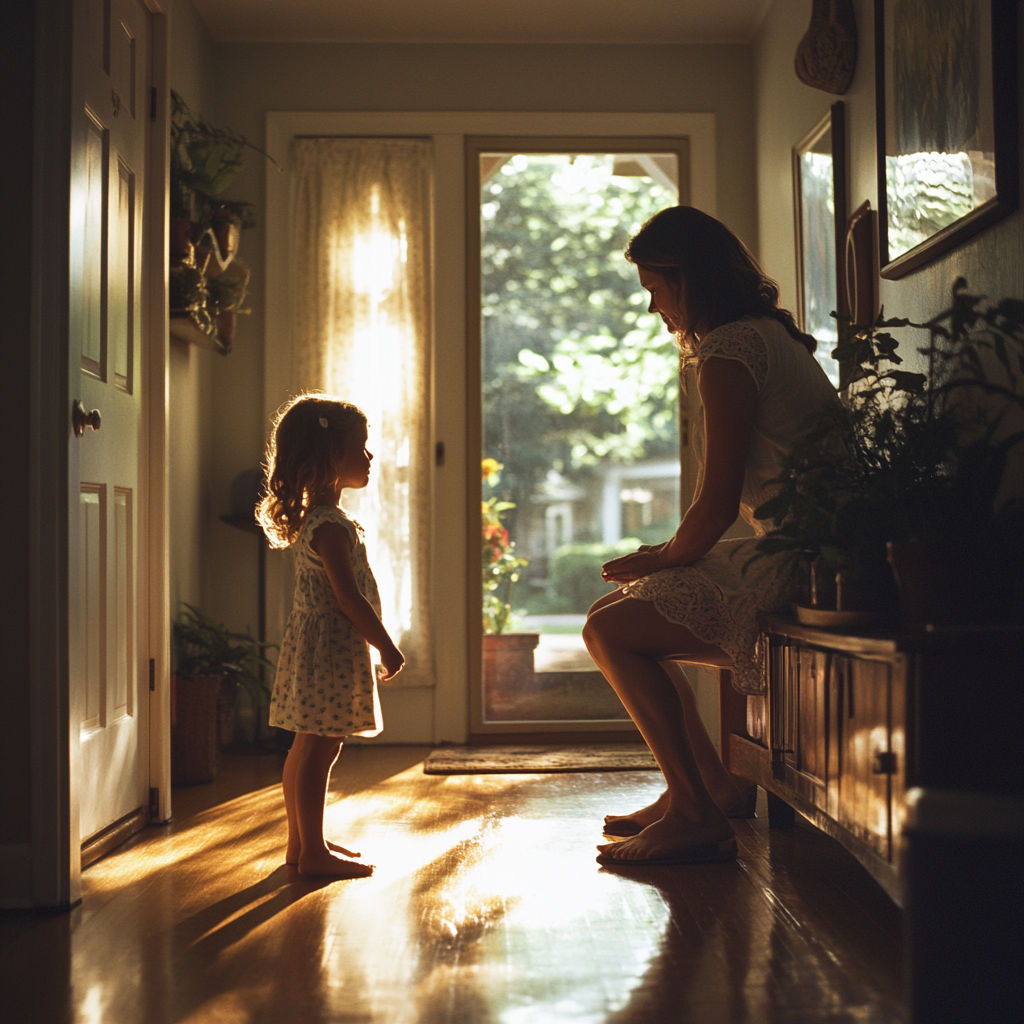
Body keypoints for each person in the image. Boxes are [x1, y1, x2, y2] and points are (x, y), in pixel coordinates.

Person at [584, 206, 841, 867]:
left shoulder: (728, 350)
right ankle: (706, 788)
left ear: (687, 283)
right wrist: (664, 563)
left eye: (654, 291)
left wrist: (663, 558)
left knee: (610, 630)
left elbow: (719, 502)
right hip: (819, 544)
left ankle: (697, 810)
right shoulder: (764, 336)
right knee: (616, 618)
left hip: (806, 558)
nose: (653, 309)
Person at [258, 393, 405, 877]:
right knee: (320, 749)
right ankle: (313, 852)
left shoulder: (323, 521)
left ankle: (302, 844)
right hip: (329, 654)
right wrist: (385, 644)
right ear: (326, 458)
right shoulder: (330, 528)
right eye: (360, 448)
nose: (369, 456)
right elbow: (348, 599)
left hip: (317, 651)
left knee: (307, 746)